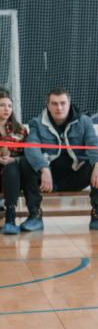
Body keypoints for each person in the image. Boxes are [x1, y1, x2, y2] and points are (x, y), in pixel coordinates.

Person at [20, 88, 98, 231]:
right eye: (54, 104)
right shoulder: (37, 123)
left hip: (76, 177)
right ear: (48, 106)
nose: (59, 107)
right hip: (49, 180)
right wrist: (44, 168)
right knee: (27, 162)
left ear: (69, 105)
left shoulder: (84, 121)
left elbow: (94, 143)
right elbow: (31, 147)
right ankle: (35, 214)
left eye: (63, 103)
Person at [0, 88, 28, 234]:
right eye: (2, 105)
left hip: (13, 177)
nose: (7, 109)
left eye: (9, 106)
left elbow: (28, 156)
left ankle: (10, 215)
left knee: (11, 167)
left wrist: (14, 159)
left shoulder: (21, 130)